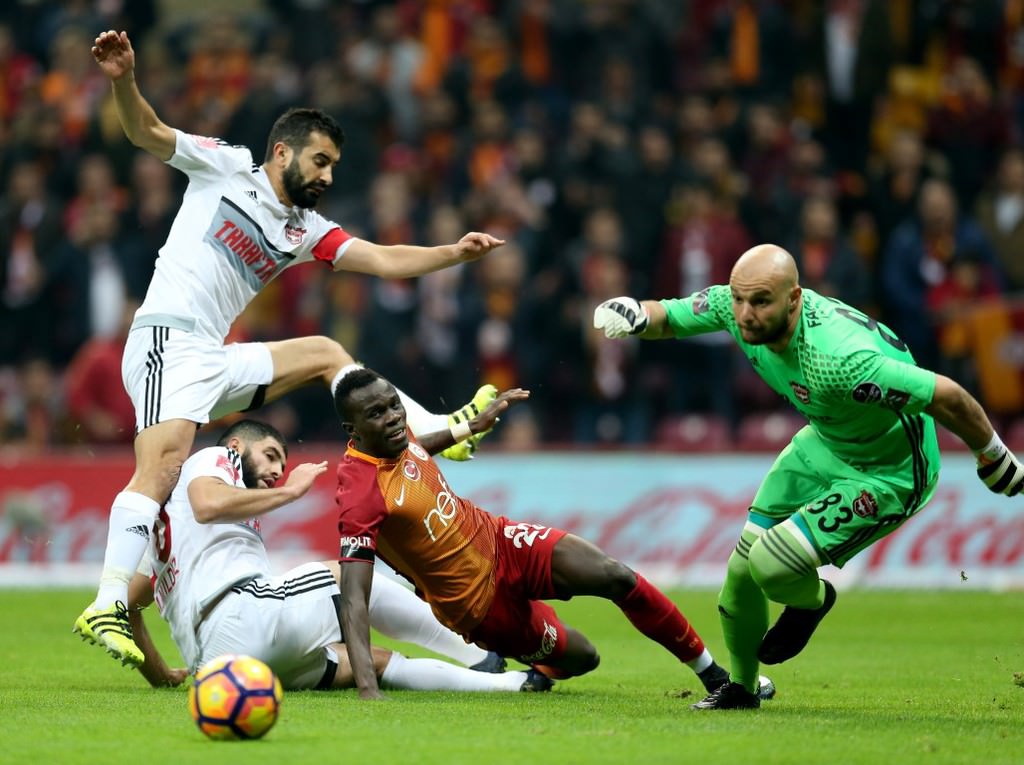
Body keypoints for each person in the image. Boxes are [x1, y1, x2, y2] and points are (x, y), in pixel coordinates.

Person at [75, 30, 505, 667]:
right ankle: (108, 600)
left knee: (326, 352)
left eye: (334, 166)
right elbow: (147, 132)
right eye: (321, 161)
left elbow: (383, 259)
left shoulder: (305, 229)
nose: (328, 176)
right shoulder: (225, 166)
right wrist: (123, 81)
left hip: (211, 355)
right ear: (282, 152)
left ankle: (438, 426)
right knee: (161, 469)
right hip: (167, 337)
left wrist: (452, 253)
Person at [594, 243, 1024, 709]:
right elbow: (672, 316)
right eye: (739, 300)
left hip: (888, 471)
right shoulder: (736, 305)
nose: (745, 314)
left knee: (769, 563)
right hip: (824, 442)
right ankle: (742, 689)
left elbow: (947, 395)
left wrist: (993, 455)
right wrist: (637, 312)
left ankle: (812, 600)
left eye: (761, 302)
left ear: (794, 299)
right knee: (739, 571)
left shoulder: (840, 360)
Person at [332, 368, 776, 701]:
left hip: (501, 540)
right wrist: (368, 688)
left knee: (614, 575)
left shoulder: (396, 434)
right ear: (353, 431)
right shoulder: (360, 495)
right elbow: (354, 598)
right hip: (479, 605)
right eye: (377, 414)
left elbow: (414, 447)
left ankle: (716, 677)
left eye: (394, 405)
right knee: (584, 657)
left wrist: (469, 427)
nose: (393, 418)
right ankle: (534, 666)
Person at [124, 418, 545, 693]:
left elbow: (128, 606)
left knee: (368, 661)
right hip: (244, 615)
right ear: (237, 445)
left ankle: (511, 685)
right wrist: (291, 491)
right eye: (270, 455)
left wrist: (161, 675)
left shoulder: (166, 536)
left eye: (282, 466)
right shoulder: (214, 457)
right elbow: (208, 503)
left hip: (217, 668)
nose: (277, 471)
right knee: (351, 573)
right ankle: (482, 656)